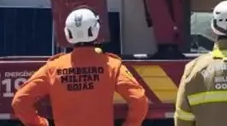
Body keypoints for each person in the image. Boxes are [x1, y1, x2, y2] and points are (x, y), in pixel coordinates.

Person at [12, 7, 149, 126]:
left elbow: (20, 101)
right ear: (95, 30)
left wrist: (41, 124)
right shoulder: (112, 66)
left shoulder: (53, 68)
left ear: (68, 33)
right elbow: (138, 99)